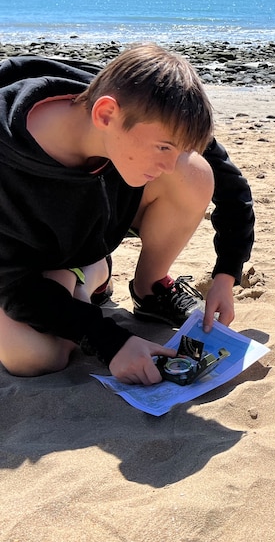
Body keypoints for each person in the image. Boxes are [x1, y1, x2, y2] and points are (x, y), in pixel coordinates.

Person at [0, 44, 254, 385]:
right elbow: (14, 287)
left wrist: (226, 273)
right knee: (35, 357)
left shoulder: (139, 99)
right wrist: (112, 342)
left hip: (78, 238)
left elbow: (229, 182)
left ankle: (148, 288)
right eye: (163, 147)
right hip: (17, 268)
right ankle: (89, 277)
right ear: (105, 115)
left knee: (193, 171)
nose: (168, 164)